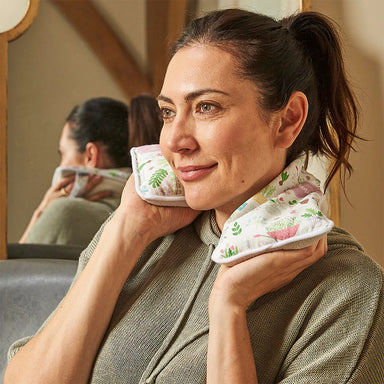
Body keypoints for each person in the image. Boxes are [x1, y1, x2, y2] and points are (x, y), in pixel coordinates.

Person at [5, 9, 384, 383]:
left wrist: (229, 309)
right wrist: (124, 231)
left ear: (287, 120)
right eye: (168, 112)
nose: (173, 141)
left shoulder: (348, 292)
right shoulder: (142, 232)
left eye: (207, 107)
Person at [19, 95, 162, 247]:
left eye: (63, 154)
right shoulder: (155, 213)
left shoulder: (64, 214)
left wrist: (41, 212)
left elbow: (13, 269)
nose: (60, 165)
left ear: (90, 155)